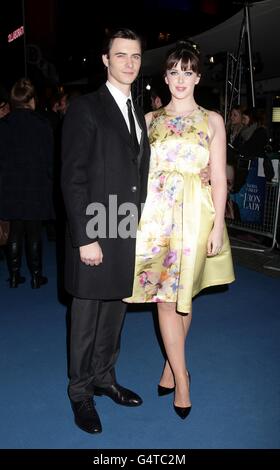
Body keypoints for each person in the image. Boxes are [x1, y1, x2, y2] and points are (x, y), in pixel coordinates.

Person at [124, 41, 235, 419]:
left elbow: (219, 178)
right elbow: (133, 170)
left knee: (183, 294)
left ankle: (171, 366)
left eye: (188, 72)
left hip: (196, 216)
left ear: (198, 77)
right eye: (174, 72)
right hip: (155, 217)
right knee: (166, 298)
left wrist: (218, 225)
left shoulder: (213, 120)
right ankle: (183, 378)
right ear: (165, 77)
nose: (181, 79)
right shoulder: (150, 121)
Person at [61, 28, 151, 435]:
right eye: (121, 55)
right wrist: (85, 236)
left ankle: (104, 377)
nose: (129, 63)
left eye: (134, 56)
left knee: (116, 310)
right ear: (105, 59)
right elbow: (73, 177)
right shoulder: (86, 108)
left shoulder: (137, 109)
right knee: (86, 316)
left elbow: (139, 171)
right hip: (96, 225)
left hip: (126, 227)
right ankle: (80, 392)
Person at [0, 78, 54, 288]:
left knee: (14, 229)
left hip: (10, 184)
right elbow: (50, 158)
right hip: (36, 183)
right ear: (31, 99)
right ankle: (36, 276)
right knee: (33, 231)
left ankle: (14, 276)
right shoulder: (41, 124)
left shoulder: (4, 125)